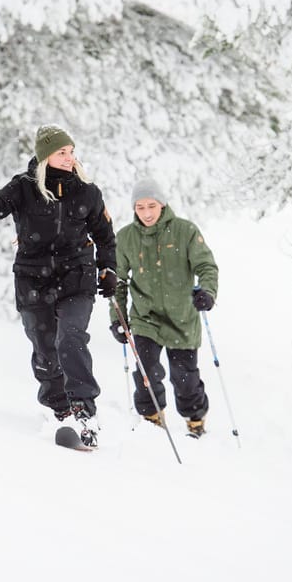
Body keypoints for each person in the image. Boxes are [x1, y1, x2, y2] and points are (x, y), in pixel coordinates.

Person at [0, 124, 117, 447]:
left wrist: (108, 269)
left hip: (76, 279)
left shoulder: (87, 191)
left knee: (70, 338)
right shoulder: (23, 187)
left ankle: (84, 411)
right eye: (62, 152)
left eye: (71, 152)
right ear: (45, 156)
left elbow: (104, 236)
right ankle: (59, 411)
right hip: (33, 279)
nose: (69, 158)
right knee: (45, 350)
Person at [108, 177, 218, 438]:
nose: (146, 213)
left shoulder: (185, 231)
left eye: (151, 206)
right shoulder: (126, 238)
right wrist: (118, 319)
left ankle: (195, 420)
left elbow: (206, 266)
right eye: (140, 207)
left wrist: (207, 292)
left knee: (185, 378)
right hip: (146, 318)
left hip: (182, 317)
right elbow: (118, 281)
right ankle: (152, 419)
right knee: (146, 371)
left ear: (162, 204)